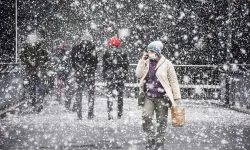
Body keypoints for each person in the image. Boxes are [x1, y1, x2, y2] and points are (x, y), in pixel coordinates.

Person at [135, 41, 181, 150]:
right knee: (146, 117)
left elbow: (173, 81)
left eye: (152, 51)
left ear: (157, 52)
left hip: (162, 97)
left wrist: (176, 97)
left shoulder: (167, 63)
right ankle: (150, 138)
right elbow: (138, 74)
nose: (150, 53)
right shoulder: (146, 62)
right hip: (148, 96)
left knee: (161, 120)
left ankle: (160, 141)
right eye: (148, 51)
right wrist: (142, 61)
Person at [71, 33, 98, 120]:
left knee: (79, 93)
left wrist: (78, 69)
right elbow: (95, 62)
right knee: (91, 94)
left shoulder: (76, 47)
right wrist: (90, 69)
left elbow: (73, 61)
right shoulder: (92, 48)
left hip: (79, 74)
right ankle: (90, 114)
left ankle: (79, 115)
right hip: (89, 74)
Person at [20, 36, 49, 112]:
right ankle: (36, 103)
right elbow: (22, 57)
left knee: (37, 87)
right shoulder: (28, 49)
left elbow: (47, 59)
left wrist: (41, 65)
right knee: (36, 87)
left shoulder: (39, 49)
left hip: (37, 71)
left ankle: (37, 103)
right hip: (34, 71)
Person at [103, 36, 129, 120]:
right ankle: (119, 114)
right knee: (120, 96)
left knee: (109, 95)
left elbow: (104, 66)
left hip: (110, 76)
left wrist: (105, 75)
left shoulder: (107, 52)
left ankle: (110, 115)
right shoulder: (123, 52)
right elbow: (126, 65)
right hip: (120, 76)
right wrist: (124, 75)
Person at [54, 41, 74, 109]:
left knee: (67, 88)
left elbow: (69, 65)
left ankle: (65, 101)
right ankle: (61, 98)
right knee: (61, 85)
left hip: (65, 73)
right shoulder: (60, 55)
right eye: (64, 47)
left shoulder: (67, 55)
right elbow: (57, 64)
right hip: (62, 73)